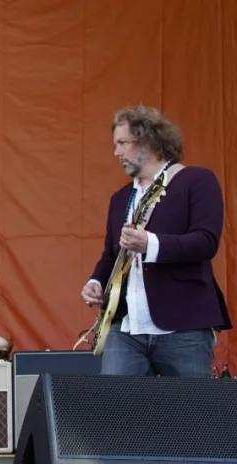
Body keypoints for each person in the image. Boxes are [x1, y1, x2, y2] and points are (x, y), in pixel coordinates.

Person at [81, 106, 231, 377]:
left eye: (123, 143)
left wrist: (150, 244)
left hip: (184, 328)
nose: (116, 152)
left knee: (191, 416)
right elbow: (110, 255)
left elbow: (206, 241)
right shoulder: (120, 199)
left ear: (148, 140)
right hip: (126, 330)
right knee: (117, 414)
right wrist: (95, 282)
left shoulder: (196, 180)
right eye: (115, 145)